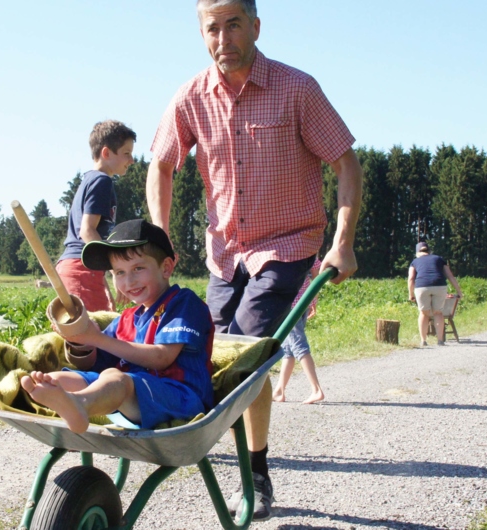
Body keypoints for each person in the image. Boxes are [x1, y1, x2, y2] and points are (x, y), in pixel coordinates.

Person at [146, 0, 362, 520]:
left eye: (234, 24)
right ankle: (207, 443)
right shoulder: (190, 97)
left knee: (247, 350)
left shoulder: (297, 89)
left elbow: (346, 163)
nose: (224, 38)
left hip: (288, 245)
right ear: (202, 34)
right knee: (209, 350)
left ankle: (256, 472)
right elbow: (162, 166)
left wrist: (344, 241)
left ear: (256, 26)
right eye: (212, 28)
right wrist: (159, 241)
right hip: (225, 255)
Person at [22, 219, 215, 434]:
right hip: (132, 396)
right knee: (58, 380)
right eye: (119, 272)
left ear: (166, 267)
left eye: (138, 268)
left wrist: (96, 338)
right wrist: (80, 341)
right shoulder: (126, 318)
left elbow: (162, 358)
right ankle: (69, 405)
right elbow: (95, 363)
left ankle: (79, 406)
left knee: (115, 379)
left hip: (180, 397)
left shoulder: (183, 304)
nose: (129, 281)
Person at [56, 120, 137, 312]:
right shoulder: (102, 181)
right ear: (106, 153)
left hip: (82, 267)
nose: (132, 160)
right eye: (126, 153)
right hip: (82, 267)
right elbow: (87, 231)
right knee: (95, 334)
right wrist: (115, 272)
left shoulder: (91, 180)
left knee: (99, 327)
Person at [272, 256, 324, 404]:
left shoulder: (286, 254)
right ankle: (279, 391)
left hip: (290, 307)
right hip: (303, 305)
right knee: (288, 350)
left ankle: (316, 390)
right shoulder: (311, 255)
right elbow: (316, 280)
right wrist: (313, 301)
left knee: (298, 346)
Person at [408, 242, 463, 346]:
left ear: (417, 252)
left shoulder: (414, 261)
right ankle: (440, 340)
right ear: (429, 251)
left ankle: (423, 340)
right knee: (438, 313)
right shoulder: (439, 259)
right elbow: (450, 276)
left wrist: (410, 294)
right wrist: (459, 292)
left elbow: (411, 279)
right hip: (439, 285)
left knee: (424, 313)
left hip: (422, 286)